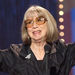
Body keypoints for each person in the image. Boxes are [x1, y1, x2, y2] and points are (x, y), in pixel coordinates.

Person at [0, 5, 75, 75]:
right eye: (29, 22)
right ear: (26, 29)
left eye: (39, 20)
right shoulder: (15, 54)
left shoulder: (63, 51)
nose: (34, 26)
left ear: (49, 24)